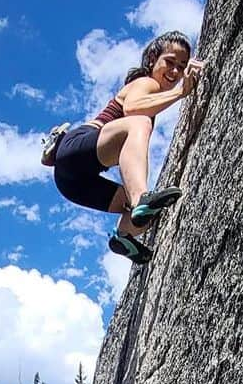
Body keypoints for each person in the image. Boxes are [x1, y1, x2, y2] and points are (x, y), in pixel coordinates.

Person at [51, 30, 204, 265]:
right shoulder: (145, 82)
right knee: (140, 122)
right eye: (170, 62)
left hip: (72, 183)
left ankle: (123, 236)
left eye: (181, 67)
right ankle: (140, 198)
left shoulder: (154, 91)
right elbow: (133, 109)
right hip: (78, 145)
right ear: (153, 60)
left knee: (145, 215)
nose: (175, 72)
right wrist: (180, 93)